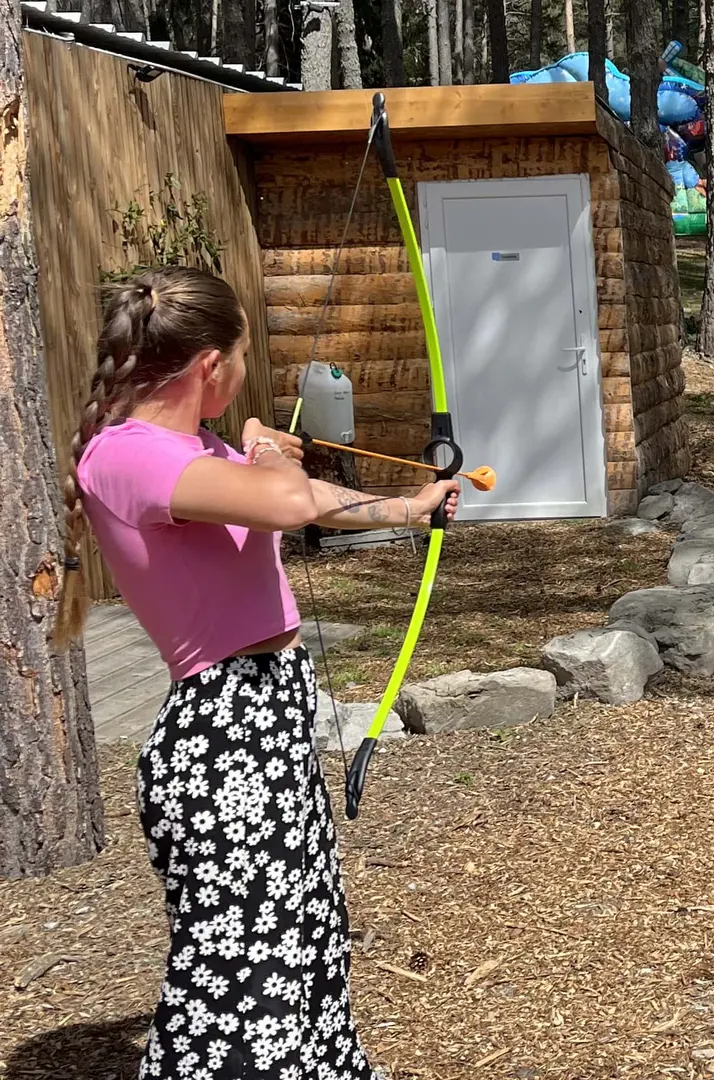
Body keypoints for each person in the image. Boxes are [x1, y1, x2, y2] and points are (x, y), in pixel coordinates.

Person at [54, 267, 460, 1080]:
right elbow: (285, 502)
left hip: (264, 722)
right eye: (239, 358)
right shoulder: (125, 458)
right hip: (220, 740)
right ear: (208, 368)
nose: (245, 375)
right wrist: (266, 454)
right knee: (244, 981)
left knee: (306, 942)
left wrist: (413, 507)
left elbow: (305, 495)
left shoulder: (195, 448)